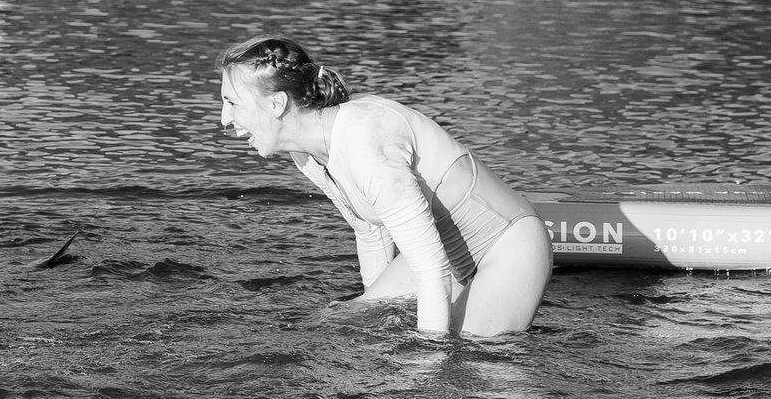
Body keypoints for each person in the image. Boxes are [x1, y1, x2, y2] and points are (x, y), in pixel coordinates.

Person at [216, 36, 552, 337]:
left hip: (506, 246)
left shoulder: (366, 140)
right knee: (340, 319)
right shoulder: (305, 153)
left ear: (276, 104)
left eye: (232, 103)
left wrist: (426, 361)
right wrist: (375, 324)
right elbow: (369, 231)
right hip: (445, 254)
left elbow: (431, 270)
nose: (224, 120)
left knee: (471, 356)